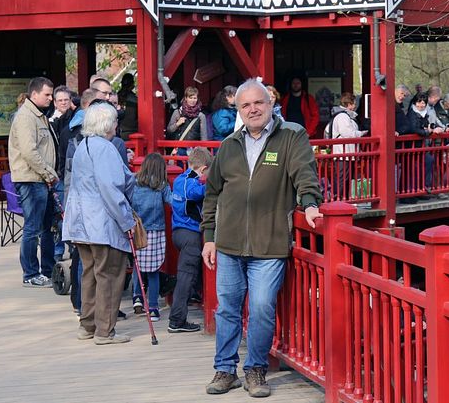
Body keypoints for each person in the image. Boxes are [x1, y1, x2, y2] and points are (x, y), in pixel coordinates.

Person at [201, 79, 323, 397]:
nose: (253, 109)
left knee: (261, 307)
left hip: (269, 243)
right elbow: (212, 193)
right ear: (238, 109)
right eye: (245, 105)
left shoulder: (291, 136)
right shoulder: (229, 145)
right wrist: (209, 237)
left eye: (258, 103)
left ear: (270, 104)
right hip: (228, 243)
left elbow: (304, 173)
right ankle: (224, 370)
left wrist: (310, 204)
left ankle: (255, 369)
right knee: (227, 309)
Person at [62, 103, 136, 345]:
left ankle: (88, 324)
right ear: (107, 125)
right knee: (109, 275)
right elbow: (111, 189)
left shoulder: (83, 145)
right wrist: (127, 221)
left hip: (81, 222)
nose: (117, 125)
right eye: (114, 121)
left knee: (90, 274)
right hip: (101, 223)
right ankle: (105, 331)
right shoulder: (105, 149)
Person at [8, 77, 58, 288]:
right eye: (47, 94)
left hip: (41, 179)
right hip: (32, 179)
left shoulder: (40, 116)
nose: (50, 98)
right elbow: (29, 152)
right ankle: (30, 273)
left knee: (47, 228)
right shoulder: (26, 117)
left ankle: (47, 270)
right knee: (33, 228)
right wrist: (48, 174)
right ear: (34, 94)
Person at [167, 147, 213, 333]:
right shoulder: (190, 183)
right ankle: (177, 320)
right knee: (186, 277)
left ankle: (190, 302)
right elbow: (199, 193)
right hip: (190, 233)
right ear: (203, 170)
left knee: (189, 275)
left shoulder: (179, 179)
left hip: (179, 231)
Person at [130, 152, 172, 321]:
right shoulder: (161, 185)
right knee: (154, 270)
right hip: (156, 231)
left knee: (137, 264)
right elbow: (172, 201)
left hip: (138, 229)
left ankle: (137, 296)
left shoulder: (134, 183)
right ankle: (153, 307)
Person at [328, 93, 367, 200]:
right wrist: (361, 133)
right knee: (343, 178)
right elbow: (348, 133)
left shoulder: (344, 115)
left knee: (346, 177)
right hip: (343, 153)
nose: (355, 106)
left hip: (346, 153)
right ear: (349, 104)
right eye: (354, 103)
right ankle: (339, 199)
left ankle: (343, 198)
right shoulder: (342, 116)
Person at [118, 73, 138, 140]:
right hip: (132, 133)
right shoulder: (135, 100)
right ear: (132, 85)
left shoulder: (114, 97)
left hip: (118, 132)